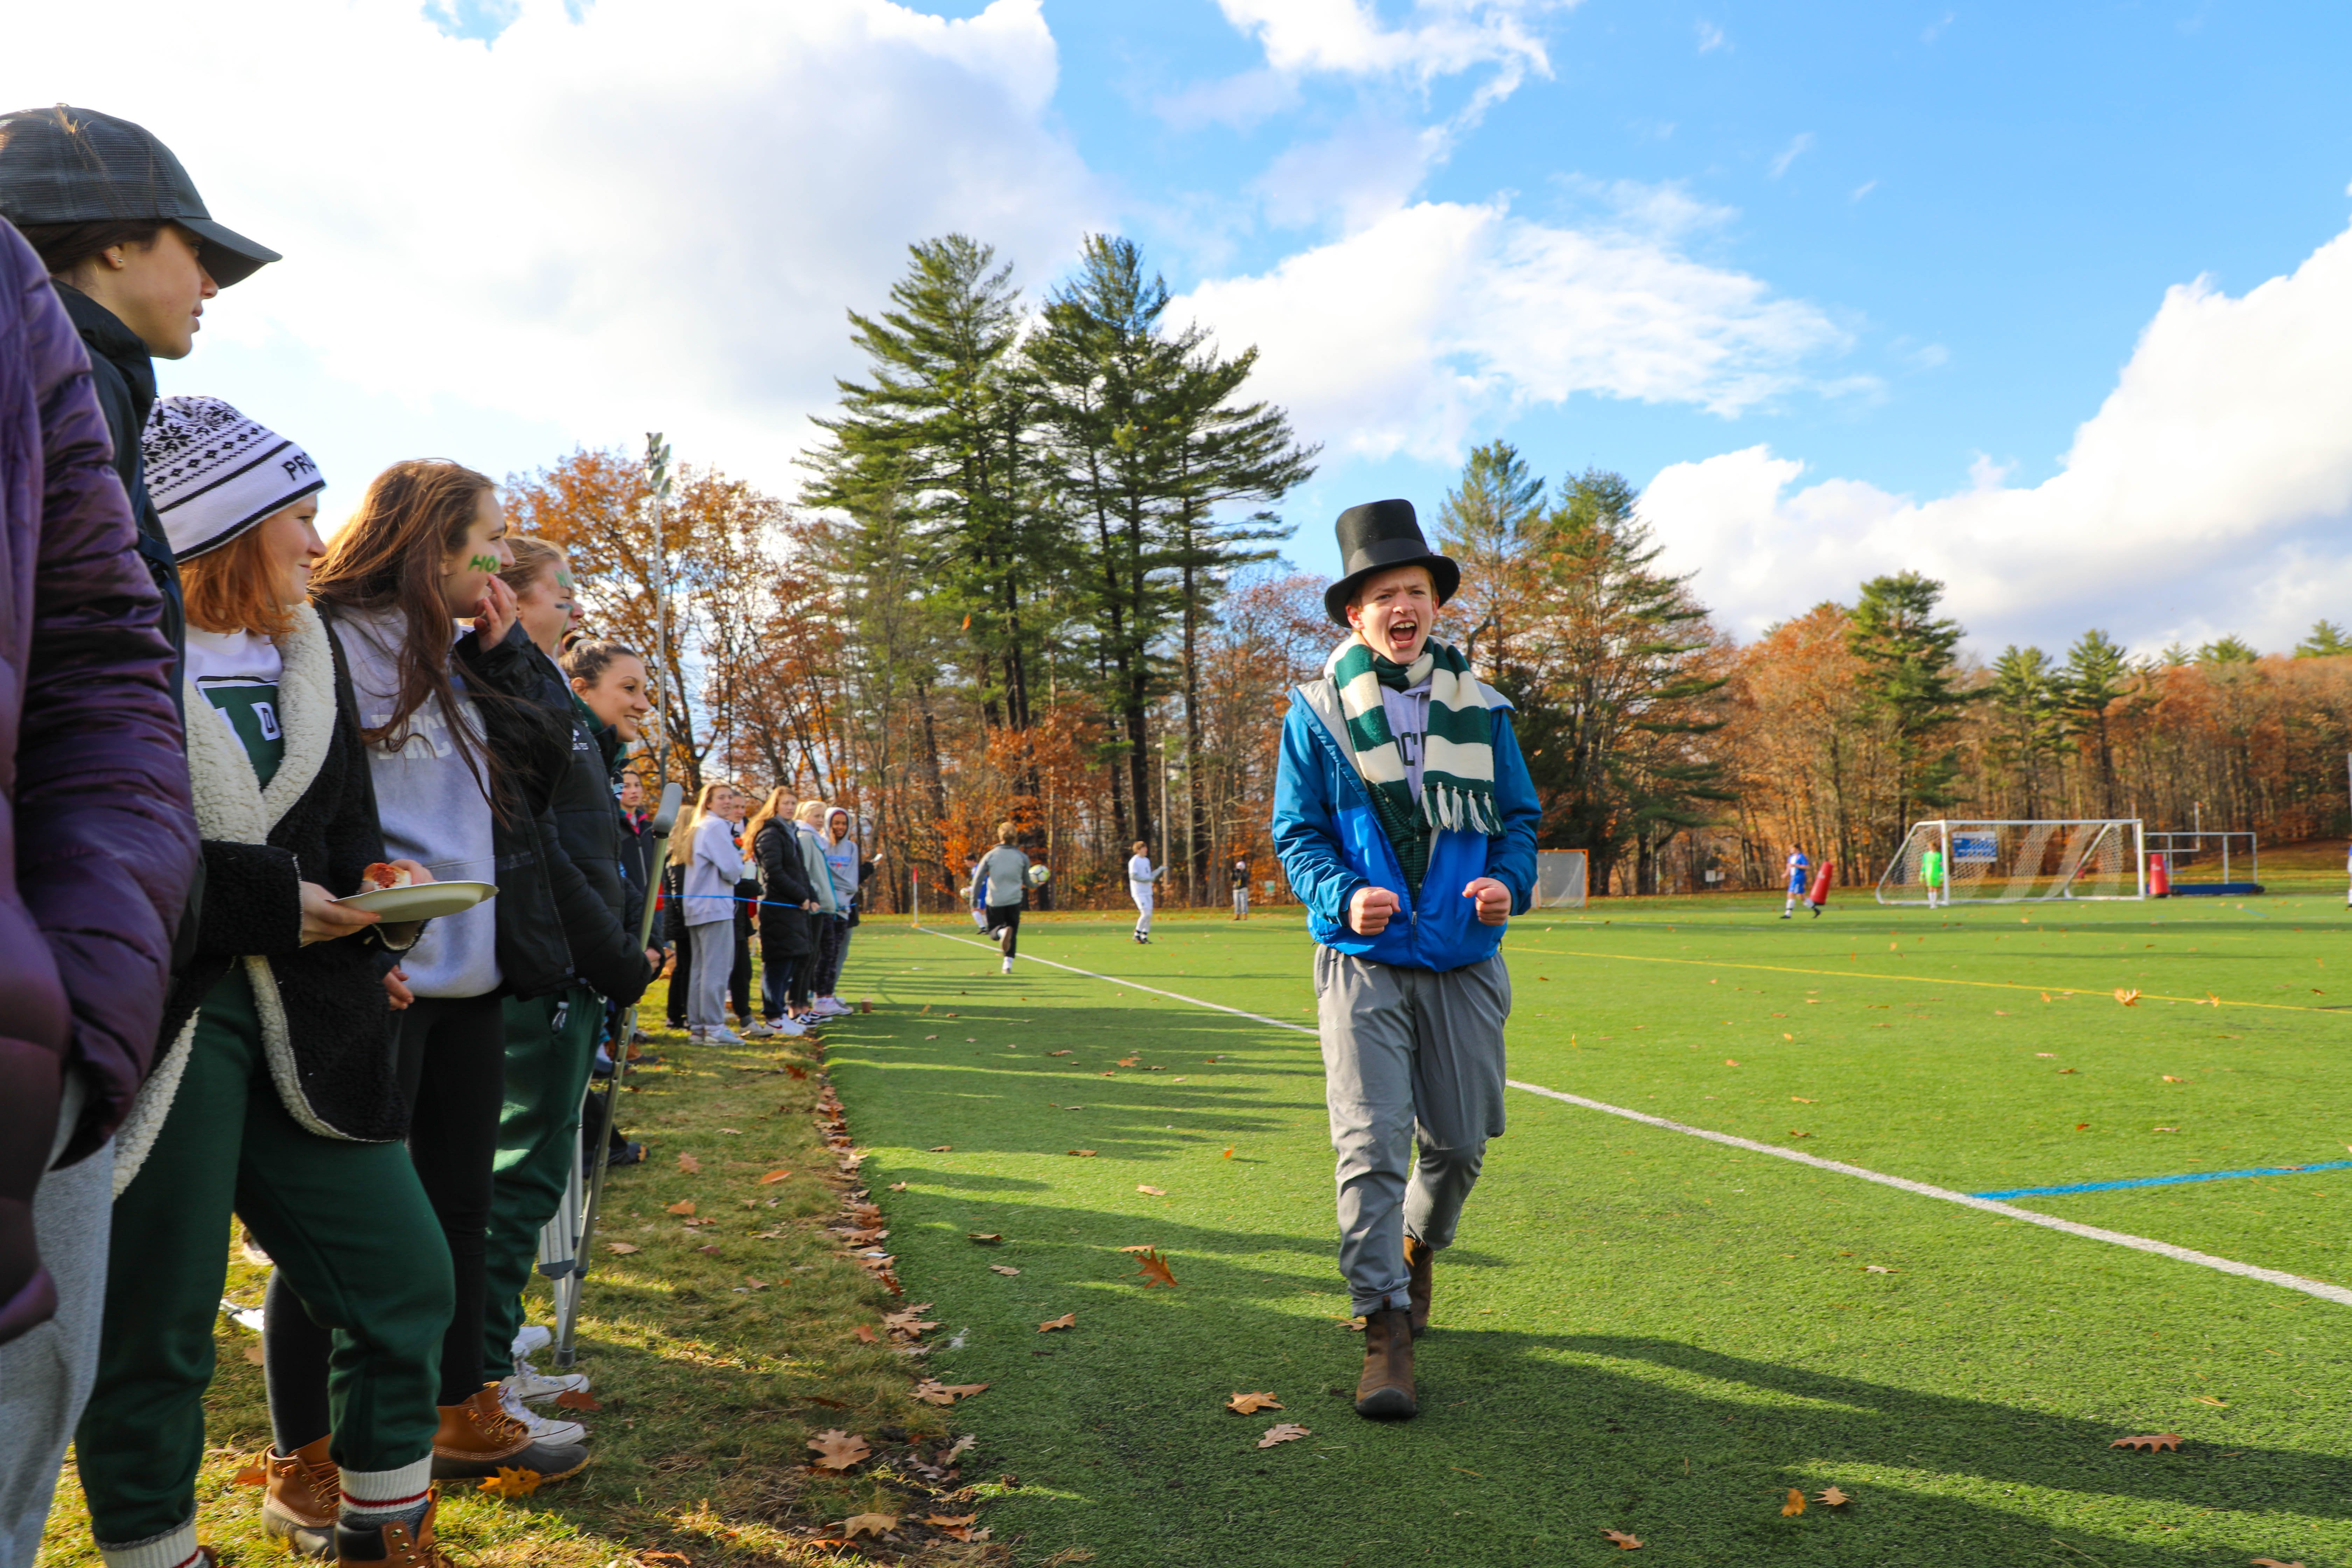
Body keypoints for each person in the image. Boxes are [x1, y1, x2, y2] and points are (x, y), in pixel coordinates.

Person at [73, 398, 458, 1567]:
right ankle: (156, 1550)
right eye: (298, 514)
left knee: (404, 1284)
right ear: (227, 530)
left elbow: (343, 833)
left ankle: (384, 1532)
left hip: (314, 1022)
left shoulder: (312, 658)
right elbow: (86, 847)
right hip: (165, 1025)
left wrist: (377, 900)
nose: (317, 539)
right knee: (157, 1331)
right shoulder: (109, 649)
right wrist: (262, 901)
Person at [303, 459, 588, 1491]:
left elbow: (552, 772)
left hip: (472, 975)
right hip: (373, 974)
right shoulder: (325, 635)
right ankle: (310, 1449)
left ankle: (462, 1405)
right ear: (433, 540)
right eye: (488, 537)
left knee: (460, 1206)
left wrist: (510, 654)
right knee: (341, 1219)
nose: (501, 556)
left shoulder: (470, 651)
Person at [0, 218, 198, 1568]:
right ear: (119, 239)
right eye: (199, 253)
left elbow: (98, 666)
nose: (212, 290)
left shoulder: (11, 297)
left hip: (35, 1027)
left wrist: (74, 985)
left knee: (20, 1455)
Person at [1272, 498, 1538, 1423]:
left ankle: (1418, 1250)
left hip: (1462, 955)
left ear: (1435, 606)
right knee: (1372, 1144)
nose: (1401, 607)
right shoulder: (1314, 716)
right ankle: (1384, 1324)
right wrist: (1341, 894)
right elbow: (1297, 833)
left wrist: (1509, 880)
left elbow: (1518, 821)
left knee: (1460, 1145)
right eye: (1383, 593)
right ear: (1355, 613)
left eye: (1415, 591)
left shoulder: (1485, 709)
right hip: (1364, 959)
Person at [474, 558, 655, 1424]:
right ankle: (479, 1373)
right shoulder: (527, 702)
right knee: (518, 1174)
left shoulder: (551, 699)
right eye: (560, 590)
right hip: (550, 968)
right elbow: (545, 856)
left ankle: (494, 1346)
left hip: (577, 966)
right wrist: (617, 953)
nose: (575, 604)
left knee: (540, 1170)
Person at [744, 788, 819, 1037]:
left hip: (794, 910)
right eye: (786, 803)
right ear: (775, 806)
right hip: (779, 909)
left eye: (793, 804)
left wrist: (812, 897)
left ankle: (780, 1014)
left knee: (791, 962)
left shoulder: (791, 833)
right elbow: (773, 873)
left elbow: (800, 871)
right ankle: (774, 1017)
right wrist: (801, 896)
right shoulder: (770, 834)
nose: (790, 807)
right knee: (778, 965)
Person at [679, 782, 747, 1043]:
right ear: (708, 802)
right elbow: (732, 870)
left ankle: (699, 1029)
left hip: (697, 906)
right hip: (714, 907)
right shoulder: (716, 826)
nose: (728, 802)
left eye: (730, 797)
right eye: (722, 798)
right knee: (716, 970)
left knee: (700, 968)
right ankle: (715, 1028)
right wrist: (739, 863)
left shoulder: (699, 826)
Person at [809, 806, 871, 1015]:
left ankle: (829, 995)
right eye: (836, 823)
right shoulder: (820, 844)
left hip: (843, 908)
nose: (840, 828)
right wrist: (831, 897)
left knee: (835, 952)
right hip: (825, 907)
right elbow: (822, 877)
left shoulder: (852, 849)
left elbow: (851, 883)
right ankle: (819, 997)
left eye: (844, 824)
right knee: (824, 953)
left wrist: (842, 898)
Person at [971, 825, 1031, 974]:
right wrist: (1038, 883)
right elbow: (1029, 883)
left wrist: (973, 901)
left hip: (995, 901)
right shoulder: (1022, 857)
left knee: (993, 932)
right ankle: (1007, 965)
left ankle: (1002, 933)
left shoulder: (990, 856)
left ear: (1000, 837)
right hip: (1014, 900)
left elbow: (978, 880)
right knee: (1013, 933)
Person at [1127, 840, 1163, 944]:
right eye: (1143, 848)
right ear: (1138, 850)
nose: (1146, 850)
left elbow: (1149, 875)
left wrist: (1159, 871)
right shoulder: (1134, 861)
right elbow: (1133, 876)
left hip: (1148, 891)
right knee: (1145, 913)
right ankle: (1137, 934)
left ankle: (1144, 935)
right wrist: (1147, 880)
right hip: (1139, 892)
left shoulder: (1147, 861)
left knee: (1149, 914)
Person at [1781, 846, 1809, 919]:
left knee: (1791, 894)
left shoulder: (1801, 857)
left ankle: (1788, 914)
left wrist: (1795, 865)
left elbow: (1806, 867)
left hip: (1799, 878)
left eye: (1792, 848)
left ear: (1797, 849)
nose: (1790, 850)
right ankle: (1816, 909)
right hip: (1793, 878)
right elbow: (1789, 867)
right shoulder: (1791, 858)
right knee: (1801, 897)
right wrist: (1786, 874)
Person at [1920, 841, 1946, 909]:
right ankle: (1932, 904)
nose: (1930, 848)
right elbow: (1924, 865)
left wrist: (1941, 874)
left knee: (1936, 888)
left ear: (1935, 847)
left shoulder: (1939, 855)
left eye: (1931, 846)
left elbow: (1941, 865)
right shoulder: (1926, 855)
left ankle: (1935, 903)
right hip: (1929, 874)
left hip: (1936, 873)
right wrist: (1922, 874)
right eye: (1929, 847)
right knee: (1930, 888)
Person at [1231, 854, 1251, 920]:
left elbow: (1245, 879)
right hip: (1236, 889)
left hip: (1243, 889)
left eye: (1241, 867)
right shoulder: (1236, 873)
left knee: (1244, 903)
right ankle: (1237, 915)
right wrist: (1233, 873)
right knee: (1236, 903)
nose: (1239, 868)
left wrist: (1241, 873)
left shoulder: (1245, 873)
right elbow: (1232, 879)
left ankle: (1245, 915)